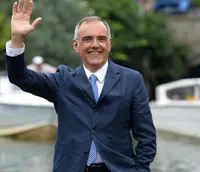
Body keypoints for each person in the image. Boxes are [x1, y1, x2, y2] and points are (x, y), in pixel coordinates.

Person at [3, 0, 157, 172]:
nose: (95, 45)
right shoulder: (62, 81)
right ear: (76, 45)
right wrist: (17, 38)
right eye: (87, 39)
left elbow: (146, 136)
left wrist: (141, 170)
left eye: (101, 39)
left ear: (109, 44)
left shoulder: (132, 80)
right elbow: (20, 77)